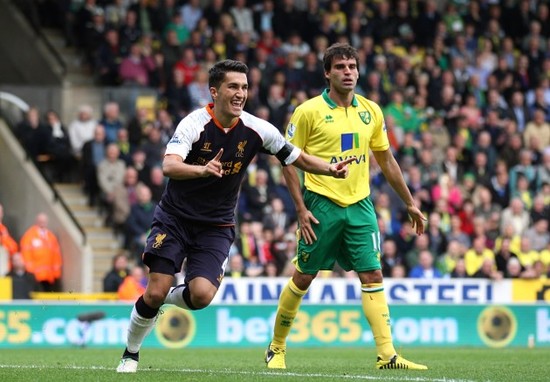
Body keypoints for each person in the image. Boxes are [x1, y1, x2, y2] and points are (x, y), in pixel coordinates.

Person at [116, 59, 355, 373]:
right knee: (156, 289)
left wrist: (329, 168)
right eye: (233, 86)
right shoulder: (193, 123)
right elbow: (168, 166)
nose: (241, 93)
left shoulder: (257, 129)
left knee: (201, 296)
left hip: (216, 225)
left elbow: (293, 156)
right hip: (175, 218)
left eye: (244, 87)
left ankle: (163, 300)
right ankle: (130, 354)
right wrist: (200, 169)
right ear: (214, 92)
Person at [265, 43, 428, 371]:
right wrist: (299, 208)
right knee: (304, 276)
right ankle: (276, 348)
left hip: (360, 205)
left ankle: (387, 355)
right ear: (327, 73)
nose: (348, 72)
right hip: (321, 203)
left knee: (372, 273)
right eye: (340, 67)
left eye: (352, 66)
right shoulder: (308, 111)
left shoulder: (371, 110)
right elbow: (286, 160)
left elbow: (386, 159)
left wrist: (409, 202)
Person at [19, 213, 63, 292]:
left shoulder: (51, 237)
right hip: (35, 277)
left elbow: (56, 256)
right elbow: (26, 255)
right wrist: (31, 273)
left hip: (49, 277)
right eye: (41, 221)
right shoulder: (29, 236)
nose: (42, 223)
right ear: (37, 221)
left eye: (44, 221)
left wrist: (56, 274)